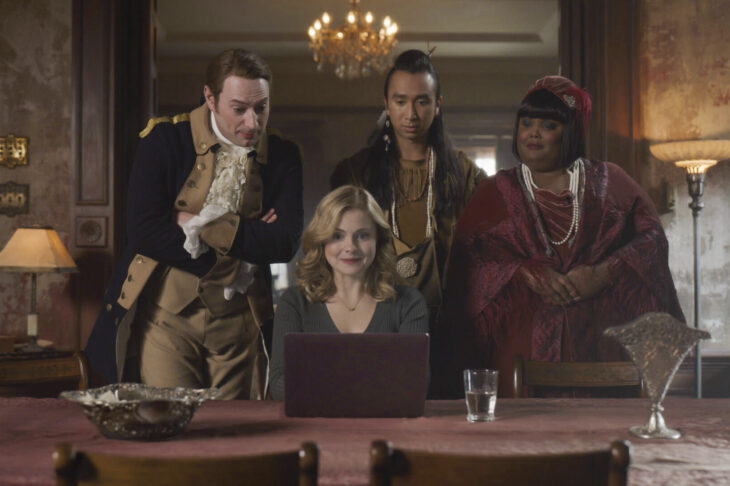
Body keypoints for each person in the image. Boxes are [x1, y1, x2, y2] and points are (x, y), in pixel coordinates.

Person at [441, 75, 685, 397]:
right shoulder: (492, 193)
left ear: (571, 132)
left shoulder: (611, 181)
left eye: (549, 126)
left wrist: (603, 273)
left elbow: (651, 240)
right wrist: (524, 273)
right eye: (526, 123)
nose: (533, 133)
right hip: (516, 356)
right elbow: (468, 261)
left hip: (603, 355)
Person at [85, 49, 303, 399]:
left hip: (240, 322)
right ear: (210, 98)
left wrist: (200, 224)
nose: (252, 123)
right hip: (166, 317)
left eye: (261, 108)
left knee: (234, 427)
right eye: (239, 109)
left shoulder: (283, 154)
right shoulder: (164, 140)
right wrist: (245, 240)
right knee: (170, 419)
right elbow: (144, 232)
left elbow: (283, 242)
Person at [330, 50, 484, 391]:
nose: (411, 114)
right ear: (386, 103)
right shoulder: (356, 172)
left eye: (422, 101)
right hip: (375, 329)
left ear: (438, 104)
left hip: (448, 333)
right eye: (400, 101)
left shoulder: (464, 174)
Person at [269, 185, 429, 400]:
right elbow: (280, 386)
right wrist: (376, 381)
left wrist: (322, 381)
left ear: (379, 240)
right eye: (337, 236)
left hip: (385, 422)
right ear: (321, 241)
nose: (350, 247)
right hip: (317, 422)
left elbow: (415, 384)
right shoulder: (294, 303)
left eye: (363, 236)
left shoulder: (409, 302)